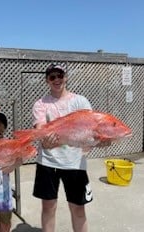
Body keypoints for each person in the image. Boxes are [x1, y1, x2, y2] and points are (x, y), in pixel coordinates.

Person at [32, 63, 109, 232]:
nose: (57, 80)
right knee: (48, 208)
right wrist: (45, 140)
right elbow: (40, 130)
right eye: (52, 77)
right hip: (47, 163)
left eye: (60, 75)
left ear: (65, 77)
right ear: (47, 81)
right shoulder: (40, 104)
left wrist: (101, 140)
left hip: (75, 163)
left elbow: (91, 131)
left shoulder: (80, 101)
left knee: (78, 209)